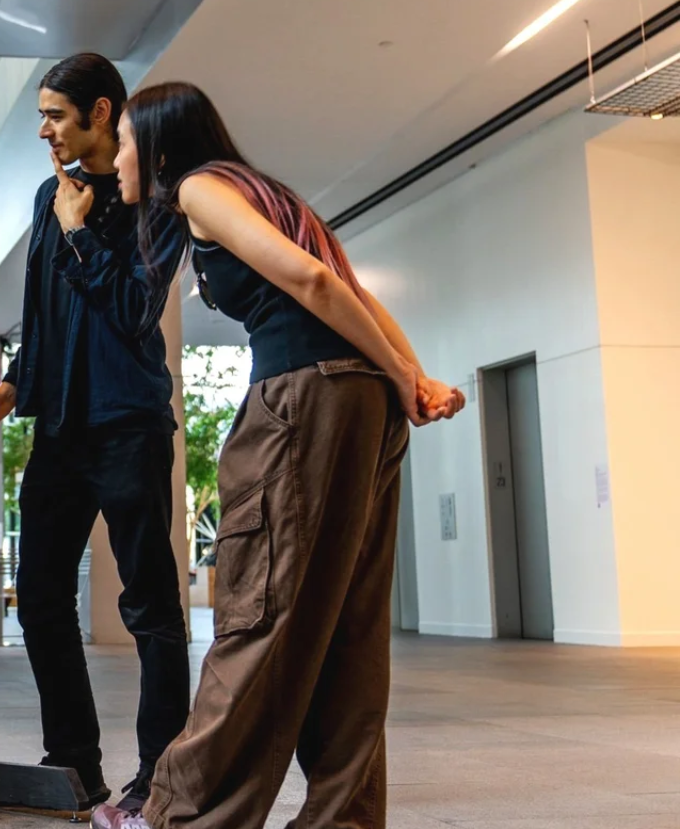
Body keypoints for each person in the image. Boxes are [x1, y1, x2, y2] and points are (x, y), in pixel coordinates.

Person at [89, 82, 466, 829]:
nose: (118, 158)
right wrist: (408, 378)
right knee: (349, 626)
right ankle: (344, 818)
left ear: (161, 147)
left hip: (305, 399)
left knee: (260, 612)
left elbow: (315, 282)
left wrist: (406, 376)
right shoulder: (272, 193)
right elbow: (351, 288)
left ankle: (183, 819)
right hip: (362, 401)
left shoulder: (201, 188)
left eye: (126, 141)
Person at [0, 54, 190, 813]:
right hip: (60, 432)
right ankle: (73, 765)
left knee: (150, 607)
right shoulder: (45, 198)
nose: (42, 129)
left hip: (128, 425)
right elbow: (48, 313)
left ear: (99, 112)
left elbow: (130, 311)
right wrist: (16, 384)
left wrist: (81, 233)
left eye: (54, 114)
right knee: (40, 600)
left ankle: (162, 771)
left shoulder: (156, 199)